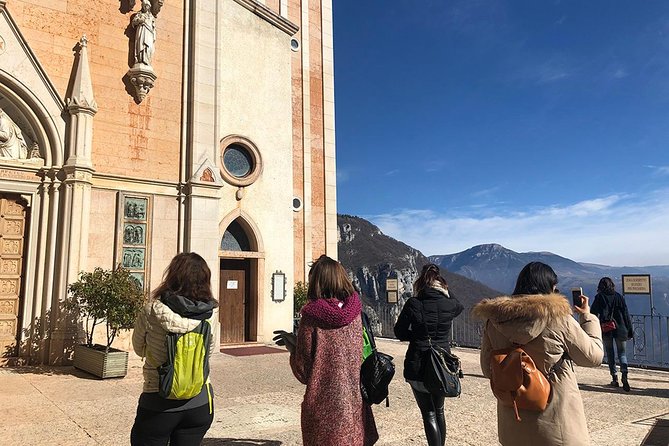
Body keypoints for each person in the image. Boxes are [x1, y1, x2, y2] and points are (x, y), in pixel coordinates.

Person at [472, 261, 603, 446]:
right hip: (557, 427)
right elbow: (593, 357)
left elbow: (488, 370)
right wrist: (587, 317)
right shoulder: (558, 318)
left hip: (513, 426)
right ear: (549, 288)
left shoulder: (494, 321)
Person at [273, 255, 378, 446]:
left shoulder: (312, 316)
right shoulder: (355, 313)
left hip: (323, 408)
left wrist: (292, 348)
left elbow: (304, 371)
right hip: (354, 404)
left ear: (317, 282)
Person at [131, 252, 217, 446]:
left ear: (173, 276)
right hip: (200, 402)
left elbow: (138, 348)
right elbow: (207, 353)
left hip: (158, 401)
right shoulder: (210, 314)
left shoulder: (152, 310)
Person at [393, 264, 464, 446]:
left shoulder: (414, 304)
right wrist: (446, 290)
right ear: (440, 283)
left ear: (421, 283)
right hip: (442, 365)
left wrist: (416, 337)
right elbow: (459, 305)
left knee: (428, 413)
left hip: (418, 364)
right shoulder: (449, 304)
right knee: (439, 411)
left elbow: (399, 332)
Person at [591, 277, 634, 391]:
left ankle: (614, 378)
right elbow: (626, 314)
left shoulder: (599, 297)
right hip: (621, 329)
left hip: (607, 329)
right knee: (622, 354)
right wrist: (630, 330)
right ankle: (624, 374)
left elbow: (593, 313)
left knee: (610, 353)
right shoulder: (619, 297)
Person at [132, 0, 156, 66]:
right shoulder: (139, 14)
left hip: (149, 33)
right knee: (141, 45)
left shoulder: (151, 17)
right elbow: (134, 22)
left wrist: (154, 36)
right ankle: (140, 59)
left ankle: (147, 60)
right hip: (142, 31)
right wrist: (140, 20)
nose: (146, 7)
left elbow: (154, 28)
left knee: (148, 47)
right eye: (145, 6)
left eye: (147, 6)